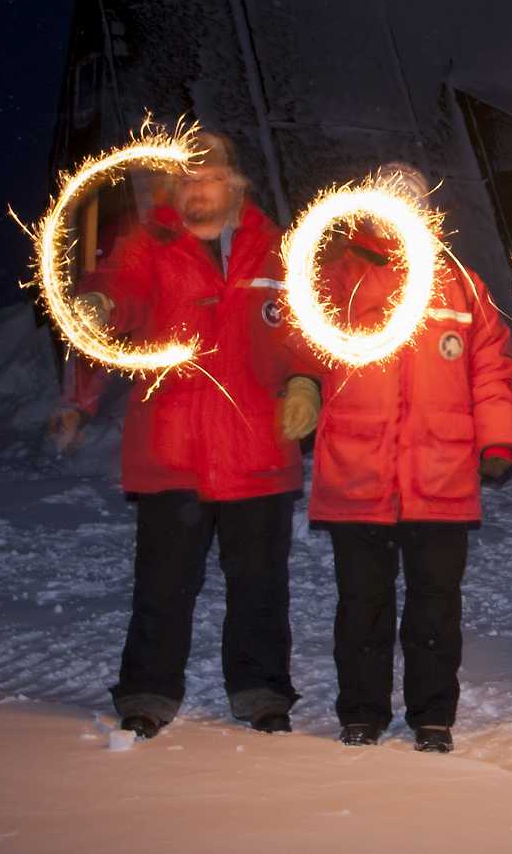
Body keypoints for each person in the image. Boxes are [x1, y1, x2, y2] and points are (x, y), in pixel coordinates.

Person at [50, 131, 323, 740]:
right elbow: (115, 293)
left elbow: (303, 329)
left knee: (259, 585)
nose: (199, 189)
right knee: (164, 585)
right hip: (173, 449)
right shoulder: (147, 244)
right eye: (189, 180)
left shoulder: (276, 249)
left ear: (233, 182)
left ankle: (260, 691)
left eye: (210, 177)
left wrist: (306, 380)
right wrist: (93, 322)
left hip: (257, 447)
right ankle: (147, 692)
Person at [290, 163, 512, 754]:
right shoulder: (338, 281)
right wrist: (302, 389)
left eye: (412, 200)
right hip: (357, 471)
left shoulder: (460, 285)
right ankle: (362, 710)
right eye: (389, 200)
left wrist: (497, 438)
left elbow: (490, 367)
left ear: (429, 209)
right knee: (362, 605)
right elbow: (301, 347)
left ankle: (432, 715)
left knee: (435, 607)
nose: (400, 209)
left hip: (439, 475)